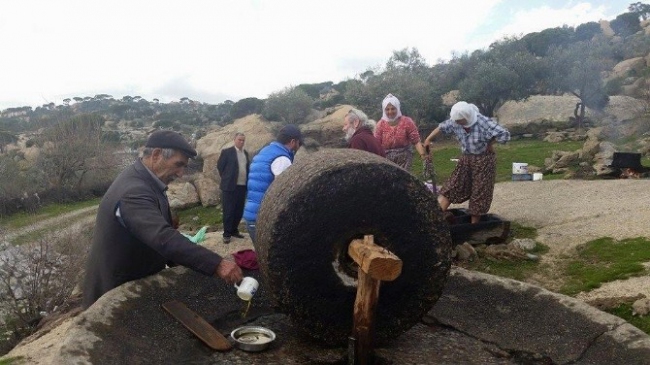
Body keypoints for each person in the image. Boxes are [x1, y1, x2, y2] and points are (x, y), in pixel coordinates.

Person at [82, 130, 243, 309]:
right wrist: (217, 264)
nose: (181, 173)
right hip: (113, 294)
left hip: (132, 283)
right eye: (178, 165)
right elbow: (162, 237)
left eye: (184, 167)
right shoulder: (133, 191)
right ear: (157, 155)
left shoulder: (146, 179)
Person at [424, 101, 510, 224]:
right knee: (452, 185)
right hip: (466, 158)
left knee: (479, 192)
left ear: (468, 117)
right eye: (456, 121)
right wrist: (428, 139)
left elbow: (504, 134)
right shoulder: (454, 120)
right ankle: (433, 220)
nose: (458, 123)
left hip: (484, 160)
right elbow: (442, 127)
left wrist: (490, 143)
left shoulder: (482, 121)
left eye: (461, 121)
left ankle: (473, 227)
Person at [243, 124, 303, 243]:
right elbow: (282, 192)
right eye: (298, 143)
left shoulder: (265, 152)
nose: (299, 147)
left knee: (263, 258)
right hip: (264, 219)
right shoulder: (282, 159)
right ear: (293, 142)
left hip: (252, 215)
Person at [374, 93, 427, 170]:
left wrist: (423, 155)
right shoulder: (380, 125)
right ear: (384, 110)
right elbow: (376, 144)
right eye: (387, 109)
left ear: (398, 108)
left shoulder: (407, 122)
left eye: (393, 108)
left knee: (403, 179)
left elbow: (416, 141)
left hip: (404, 157)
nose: (390, 112)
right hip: (386, 159)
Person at [217, 133, 250, 243]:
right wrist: (227, 178)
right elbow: (220, 167)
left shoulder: (245, 153)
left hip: (242, 186)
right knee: (229, 211)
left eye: (243, 140)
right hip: (229, 187)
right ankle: (226, 234)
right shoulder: (227, 152)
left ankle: (234, 230)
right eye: (239, 139)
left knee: (239, 211)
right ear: (234, 140)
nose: (241, 142)